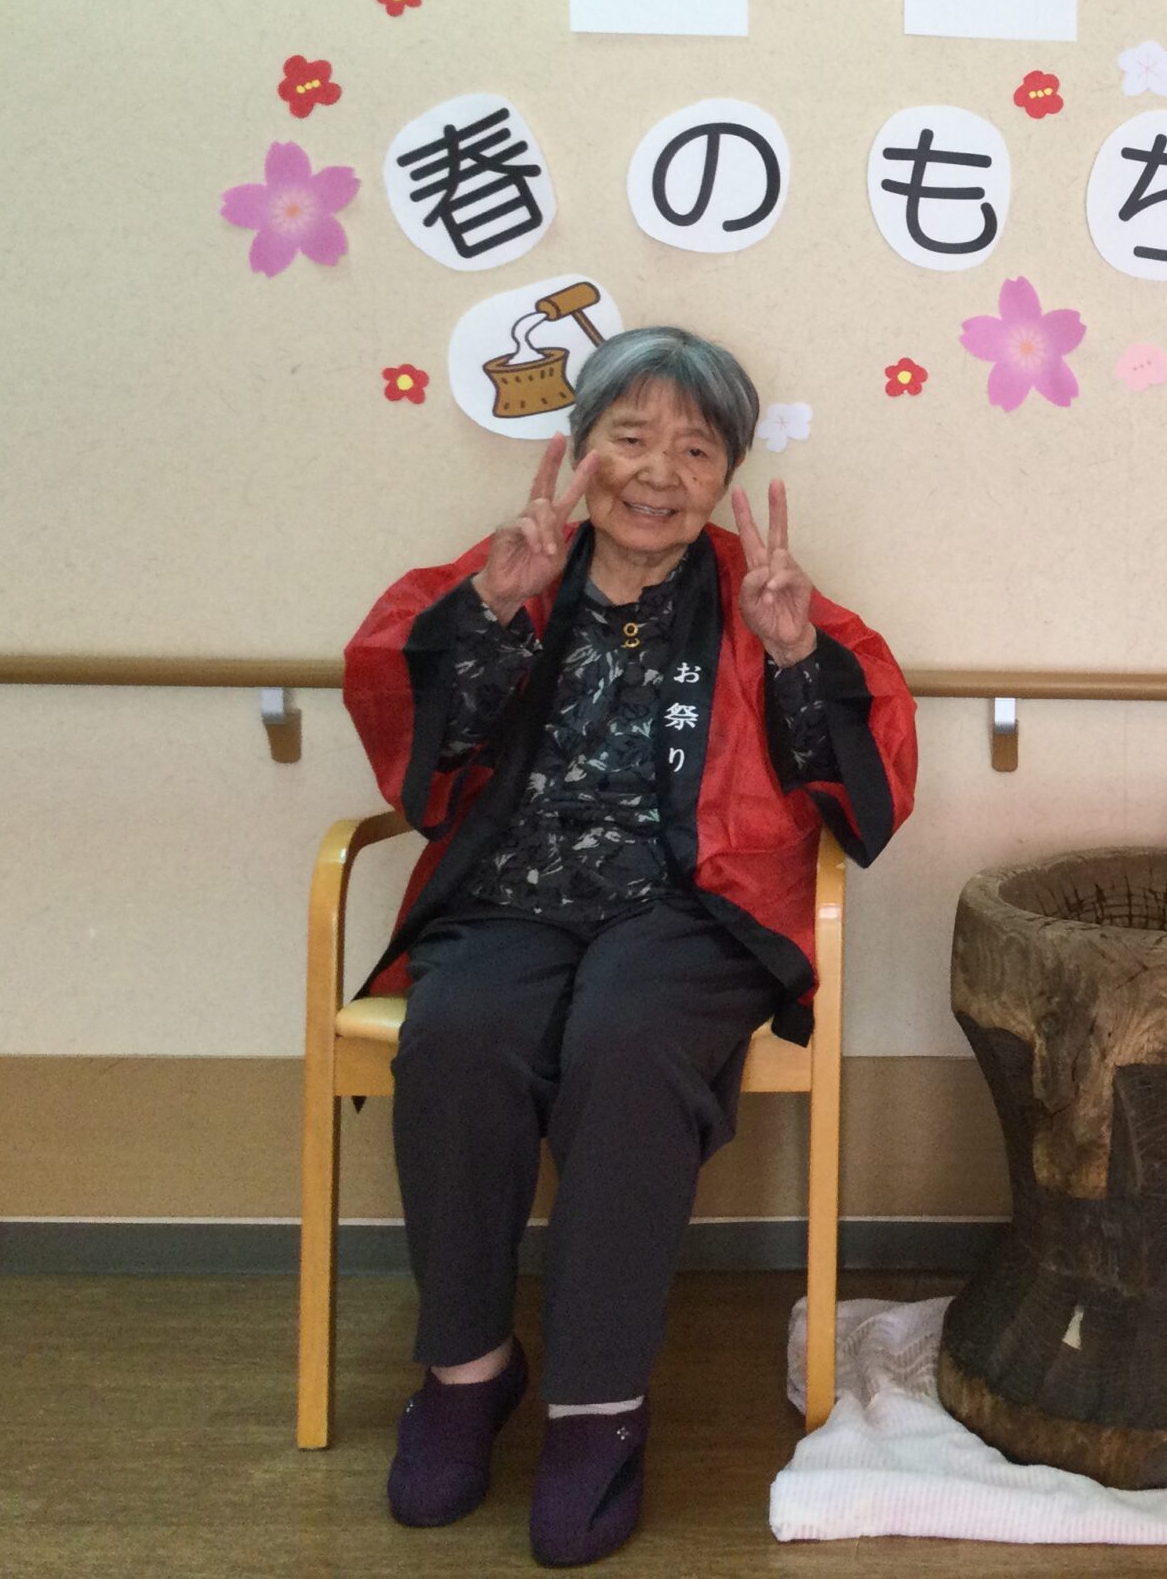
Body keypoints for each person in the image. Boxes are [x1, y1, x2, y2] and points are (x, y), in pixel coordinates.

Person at [341, 327, 917, 1567]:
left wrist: (794, 654)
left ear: (727, 476)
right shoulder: (509, 567)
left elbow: (862, 780)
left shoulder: (766, 598)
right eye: (631, 437)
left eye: (696, 449)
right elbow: (410, 728)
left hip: (691, 907)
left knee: (628, 1042)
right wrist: (493, 608)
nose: (659, 471)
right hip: (511, 894)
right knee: (459, 1037)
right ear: (580, 449)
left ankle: (597, 1407)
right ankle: (466, 1372)